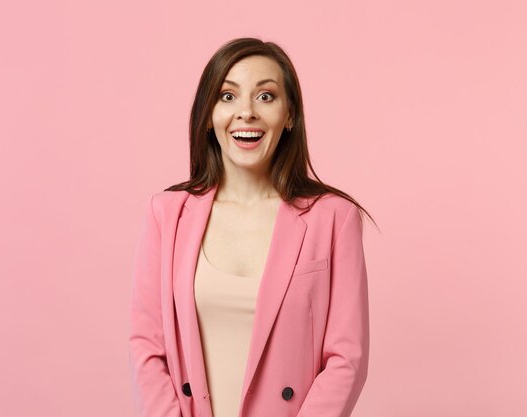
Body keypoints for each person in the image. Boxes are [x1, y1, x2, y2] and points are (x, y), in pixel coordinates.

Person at [129, 37, 376, 417]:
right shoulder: (167, 214)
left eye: (265, 96)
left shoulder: (333, 218)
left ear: (289, 115)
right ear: (208, 115)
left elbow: (346, 358)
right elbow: (148, 347)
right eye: (227, 96)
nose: (246, 113)